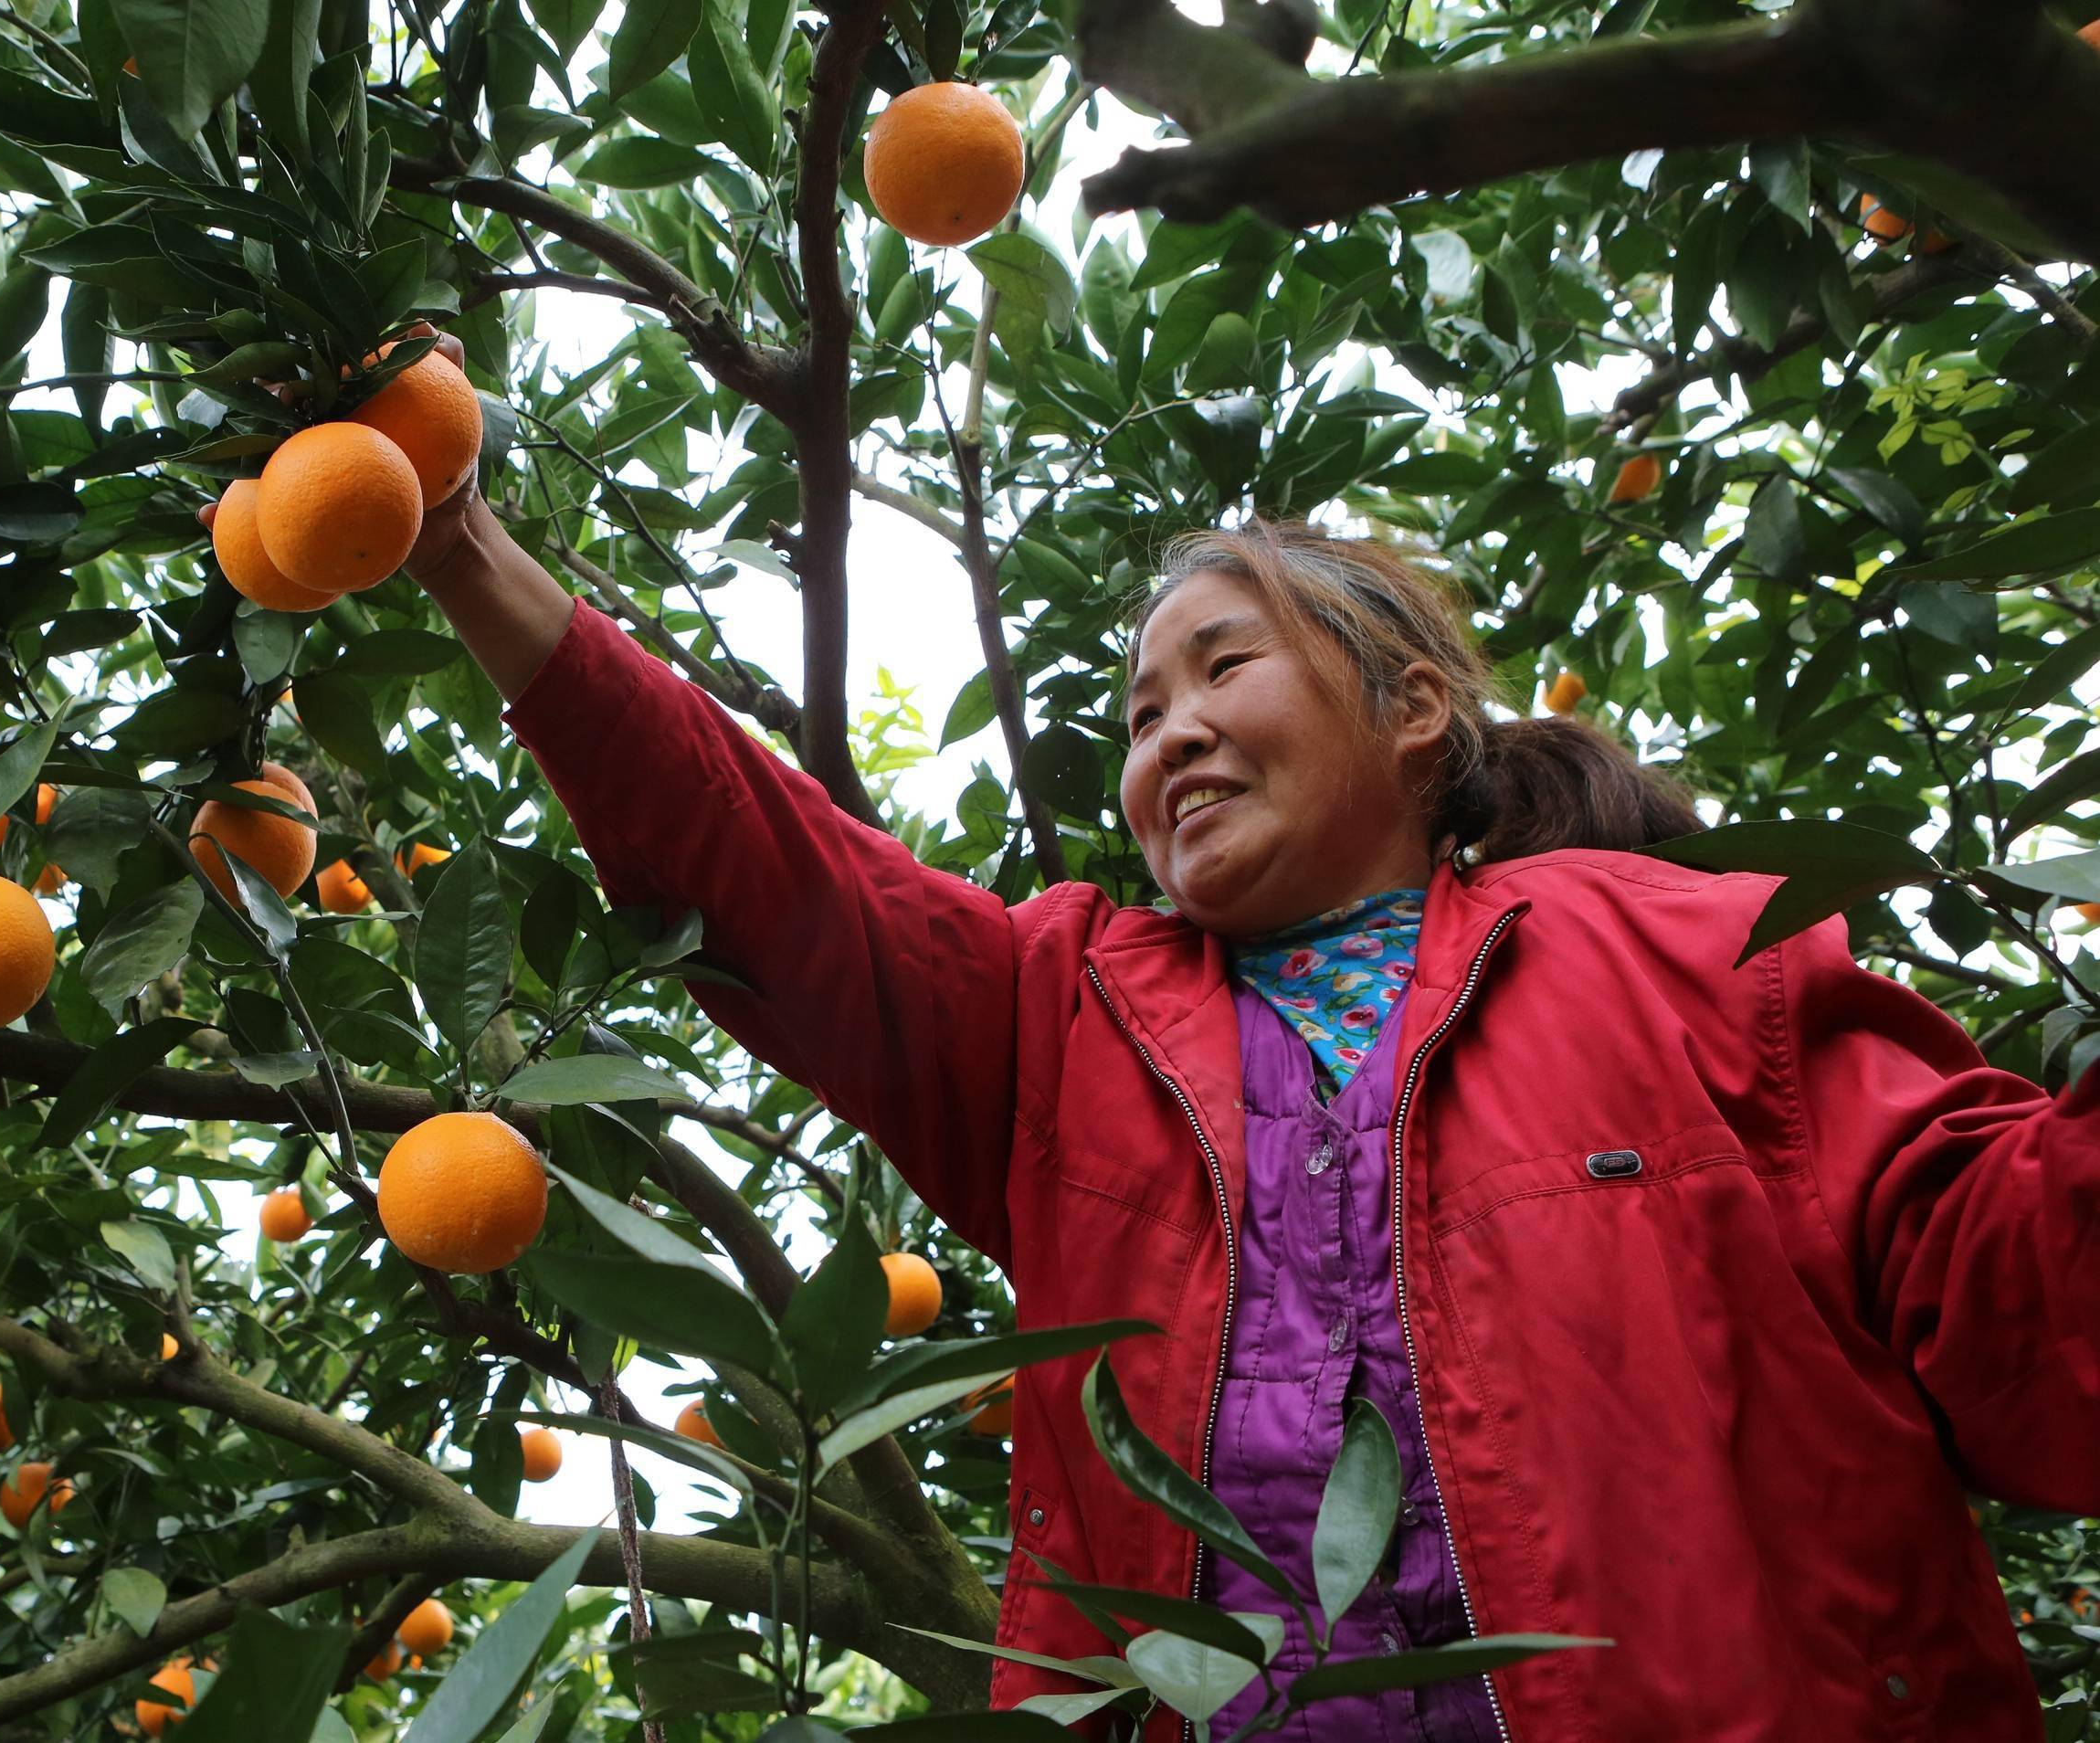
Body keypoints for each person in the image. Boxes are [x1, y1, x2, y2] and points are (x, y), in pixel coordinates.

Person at [379, 333, 2092, 1741]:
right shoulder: (1068, 1018)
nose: (1170, 737)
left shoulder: (1696, 954)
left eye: (1221, 672)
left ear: (1415, 710)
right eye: (1138, 717)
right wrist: (458, 544)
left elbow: (2026, 1300)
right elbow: (776, 877)